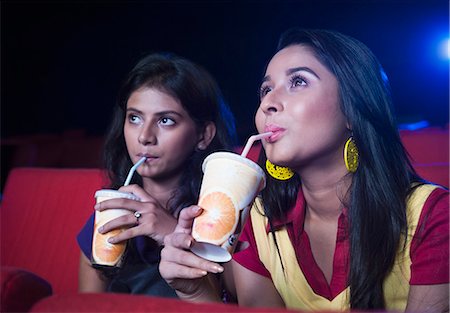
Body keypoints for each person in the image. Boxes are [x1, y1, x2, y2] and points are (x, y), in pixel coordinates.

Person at [159, 28, 449, 311]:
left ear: (353, 109)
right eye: (266, 89)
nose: (268, 104)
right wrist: (196, 291)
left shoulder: (433, 216)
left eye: (298, 82)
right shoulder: (258, 220)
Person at [77, 52, 237, 295]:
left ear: (203, 136)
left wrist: (172, 233)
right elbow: (87, 306)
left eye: (166, 121)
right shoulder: (109, 215)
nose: (144, 136)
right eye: (134, 118)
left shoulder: (224, 214)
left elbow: (239, 301)